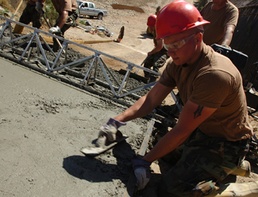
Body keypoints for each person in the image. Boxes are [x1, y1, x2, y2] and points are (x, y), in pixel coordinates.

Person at [95, 0, 253, 196]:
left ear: (198, 38)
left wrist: (145, 161)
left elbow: (182, 130)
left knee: (173, 189)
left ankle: (232, 179)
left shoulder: (214, 74)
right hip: (201, 130)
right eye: (167, 44)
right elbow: (150, 100)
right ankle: (230, 167)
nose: (170, 51)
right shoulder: (178, 61)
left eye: (176, 44)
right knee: (164, 151)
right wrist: (117, 121)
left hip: (225, 142)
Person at [143, 15, 169, 83]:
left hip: (165, 51)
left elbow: (160, 46)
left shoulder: (159, 31)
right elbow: (157, 46)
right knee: (147, 62)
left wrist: (151, 52)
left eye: (151, 26)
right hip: (159, 49)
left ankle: (152, 83)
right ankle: (146, 79)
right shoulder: (154, 30)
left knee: (156, 64)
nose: (150, 28)